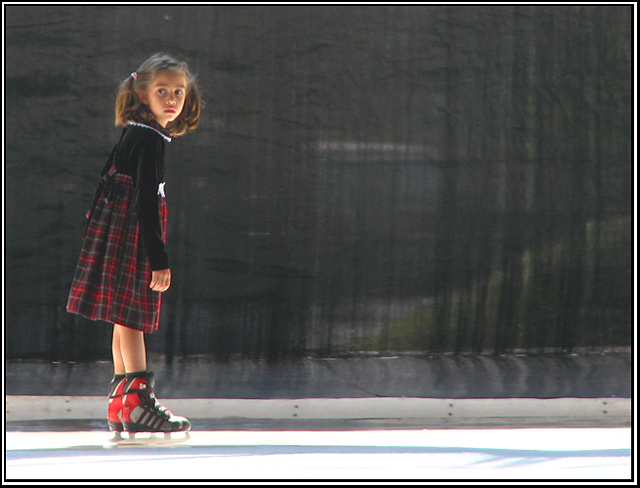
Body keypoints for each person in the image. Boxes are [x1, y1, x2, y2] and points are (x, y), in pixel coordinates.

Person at [66, 53, 201, 435]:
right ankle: (137, 402)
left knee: (122, 316)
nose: (172, 99)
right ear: (142, 93)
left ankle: (122, 404)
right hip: (133, 235)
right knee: (131, 316)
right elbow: (143, 200)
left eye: (178, 91)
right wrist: (158, 258)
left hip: (122, 231)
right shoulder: (148, 139)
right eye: (162, 91)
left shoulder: (139, 132)